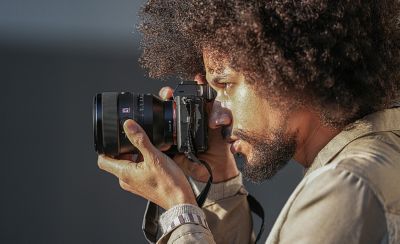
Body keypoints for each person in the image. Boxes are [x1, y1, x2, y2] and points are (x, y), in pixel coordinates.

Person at [97, 0, 400, 243]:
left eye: (226, 85)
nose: (217, 117)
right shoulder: (378, 156)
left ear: (288, 68)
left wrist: (181, 215)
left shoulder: (346, 187)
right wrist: (219, 184)